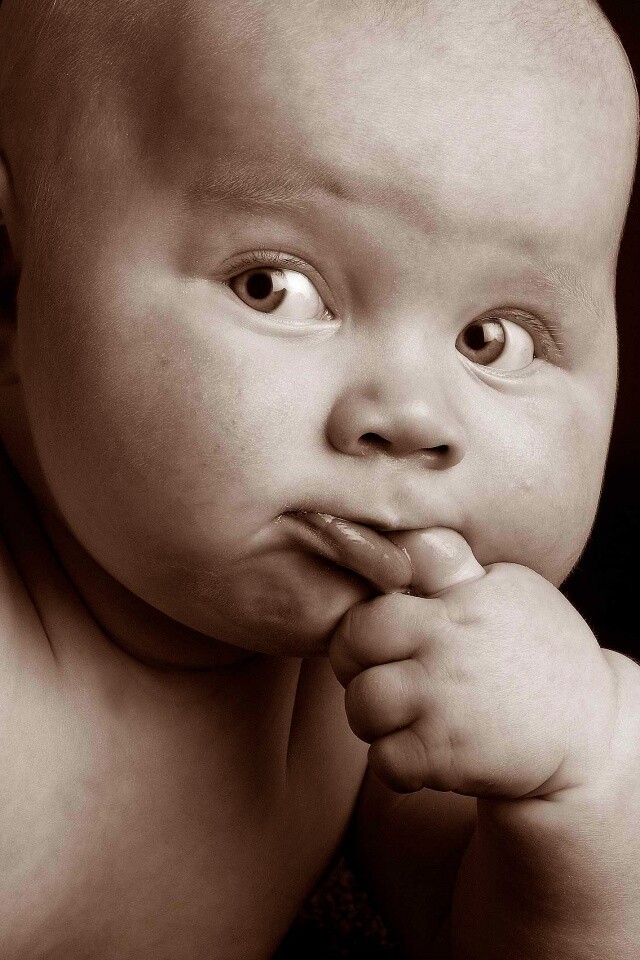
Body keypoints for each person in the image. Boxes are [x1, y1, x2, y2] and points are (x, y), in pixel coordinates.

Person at [0, 0, 637, 956]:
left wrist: (586, 788)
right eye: (276, 288)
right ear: (11, 274)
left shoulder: (386, 676)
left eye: (492, 340)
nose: (413, 418)